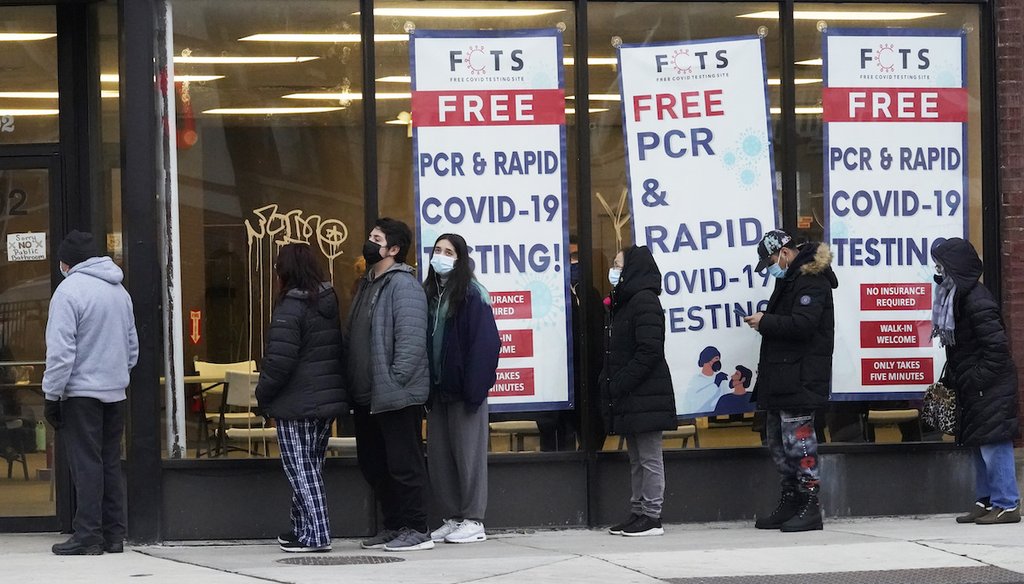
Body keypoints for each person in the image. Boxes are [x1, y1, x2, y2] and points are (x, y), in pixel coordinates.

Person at [42, 231, 138, 555]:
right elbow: (132, 347)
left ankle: (88, 535)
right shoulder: (119, 291)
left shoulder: (68, 292)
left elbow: (60, 353)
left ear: (66, 262)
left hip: (79, 393)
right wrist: (116, 375)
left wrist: (51, 395)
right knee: (109, 461)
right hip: (115, 392)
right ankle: (114, 535)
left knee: (86, 464)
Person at [345, 218, 433, 551]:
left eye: (376, 238)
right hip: (367, 395)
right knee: (375, 465)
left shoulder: (403, 286)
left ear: (393, 249)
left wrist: (394, 379)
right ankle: (394, 525)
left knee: (404, 464)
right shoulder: (368, 283)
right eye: (370, 236)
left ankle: (417, 528)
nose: (369, 242)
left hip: (395, 395)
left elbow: (410, 343)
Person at [256, 243, 347, 553]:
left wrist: (262, 394)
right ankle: (300, 528)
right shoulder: (326, 301)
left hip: (296, 402)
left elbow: (279, 363)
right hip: (325, 400)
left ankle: (318, 535)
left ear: (285, 272)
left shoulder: (289, 308)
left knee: (301, 470)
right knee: (310, 467)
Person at [744, 229, 836, 533]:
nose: (770, 268)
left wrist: (765, 321)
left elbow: (804, 325)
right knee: (778, 442)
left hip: (800, 378)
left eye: (770, 260)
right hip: (782, 378)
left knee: (800, 443)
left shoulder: (812, 280)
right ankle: (792, 499)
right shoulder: (790, 280)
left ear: (784, 253)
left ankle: (810, 505)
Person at [931, 238, 1020, 524]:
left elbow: (997, 349)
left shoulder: (976, 300)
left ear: (954, 268)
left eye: (942, 265)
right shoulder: (957, 296)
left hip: (989, 386)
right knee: (978, 445)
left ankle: (1007, 504)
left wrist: (974, 379)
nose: (938, 271)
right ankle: (986, 500)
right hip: (975, 386)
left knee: (994, 445)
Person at [423, 234, 500, 544]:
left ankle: (473, 520)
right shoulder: (430, 293)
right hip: (439, 391)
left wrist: (474, 389)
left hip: (466, 392)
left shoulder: (472, 293)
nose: (442, 255)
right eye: (438, 250)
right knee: (442, 458)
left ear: (460, 257)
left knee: (469, 458)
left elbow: (486, 345)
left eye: (449, 251)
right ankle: (453, 517)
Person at [601, 246, 677, 537]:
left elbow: (649, 350)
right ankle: (638, 511)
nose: (614, 269)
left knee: (649, 457)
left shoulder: (644, 301)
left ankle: (652, 515)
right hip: (633, 395)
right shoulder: (626, 302)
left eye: (619, 264)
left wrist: (620, 382)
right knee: (636, 457)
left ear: (633, 268)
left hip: (645, 393)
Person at [682, 346, 731, 415]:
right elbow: (694, 404)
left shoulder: (721, 379)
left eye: (719, 359)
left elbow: (727, 399)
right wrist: (715, 385)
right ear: (707, 359)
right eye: (716, 359)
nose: (718, 362)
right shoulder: (696, 380)